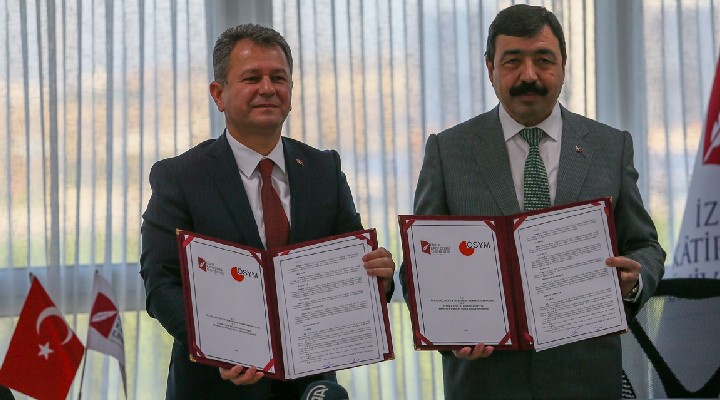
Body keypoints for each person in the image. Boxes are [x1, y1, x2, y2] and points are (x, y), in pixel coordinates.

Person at [401, 4, 665, 399]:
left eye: (544, 60)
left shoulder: (610, 146)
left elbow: (645, 246)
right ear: (490, 68)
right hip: (485, 381)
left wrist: (633, 281)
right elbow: (418, 267)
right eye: (512, 61)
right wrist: (449, 334)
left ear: (563, 66)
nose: (529, 75)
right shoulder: (448, 150)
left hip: (585, 380)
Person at [140, 24, 395, 400]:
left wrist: (378, 279)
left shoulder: (324, 169)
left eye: (278, 78)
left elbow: (352, 265)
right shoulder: (180, 176)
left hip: (312, 386)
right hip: (216, 386)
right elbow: (161, 283)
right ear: (219, 94)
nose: (267, 88)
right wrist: (216, 348)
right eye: (251, 77)